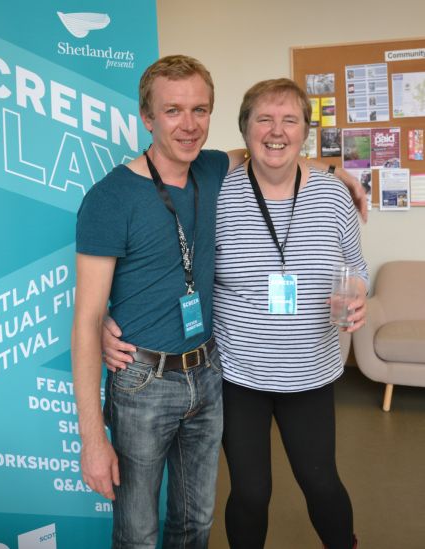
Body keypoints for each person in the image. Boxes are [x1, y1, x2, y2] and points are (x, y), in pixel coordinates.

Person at [74, 55, 366, 549]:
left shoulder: (211, 171)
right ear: (147, 117)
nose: (188, 124)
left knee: (196, 522)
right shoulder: (125, 196)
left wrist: (335, 171)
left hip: (211, 373)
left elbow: (270, 154)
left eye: (199, 110)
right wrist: (91, 437)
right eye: (173, 111)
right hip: (163, 380)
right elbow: (85, 319)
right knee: (144, 529)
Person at [214, 79, 367, 549]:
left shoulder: (333, 194)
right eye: (264, 118)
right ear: (244, 130)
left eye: (289, 120)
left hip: (310, 372)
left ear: (305, 130)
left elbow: (356, 268)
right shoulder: (217, 190)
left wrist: (356, 295)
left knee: (321, 484)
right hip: (239, 375)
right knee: (251, 491)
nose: (276, 131)